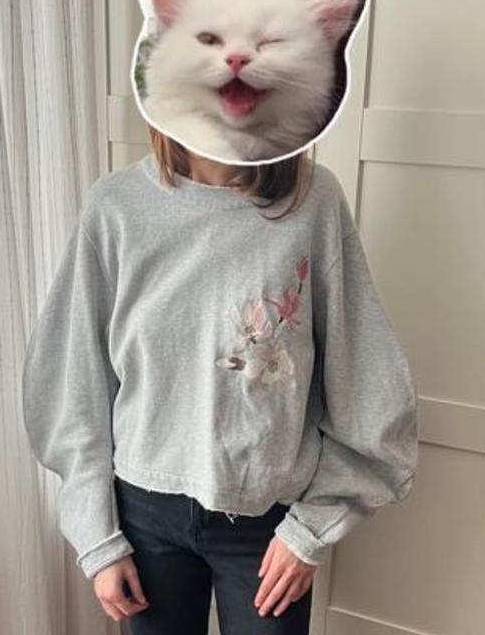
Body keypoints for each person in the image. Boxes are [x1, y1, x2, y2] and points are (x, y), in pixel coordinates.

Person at [22, 127, 418, 634]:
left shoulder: (313, 200)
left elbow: (364, 374)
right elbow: (72, 372)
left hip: (268, 521)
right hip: (142, 513)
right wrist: (97, 536)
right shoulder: (115, 206)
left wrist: (312, 529)